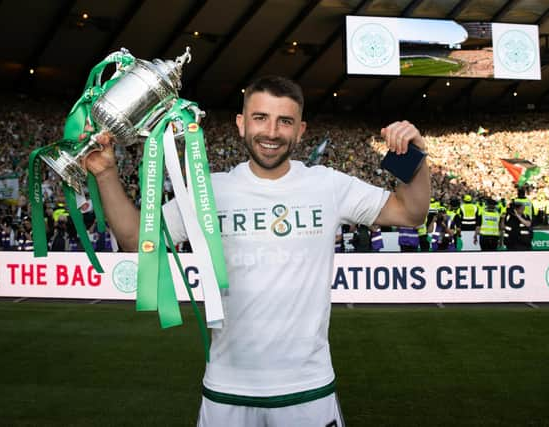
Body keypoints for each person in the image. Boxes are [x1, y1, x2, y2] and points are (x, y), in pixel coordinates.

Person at [85, 75, 430, 426]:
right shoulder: (209, 191)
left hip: (307, 391)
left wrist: (414, 156)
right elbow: (135, 240)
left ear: (300, 131)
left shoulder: (327, 185)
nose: (272, 132)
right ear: (241, 124)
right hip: (226, 392)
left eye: (285, 121)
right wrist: (105, 172)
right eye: (260, 117)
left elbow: (411, 212)